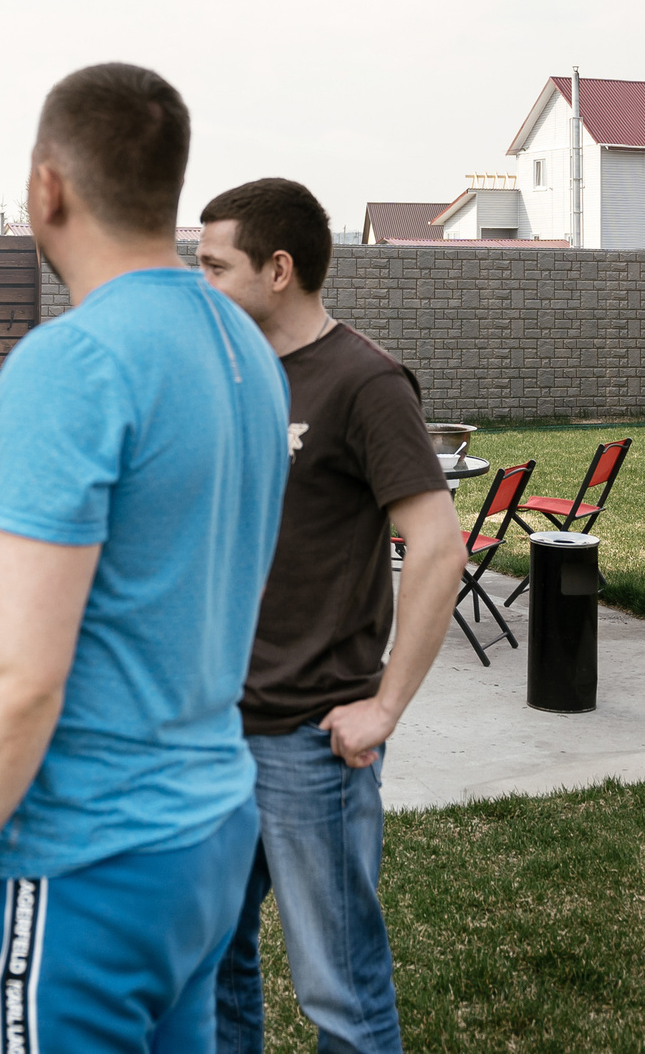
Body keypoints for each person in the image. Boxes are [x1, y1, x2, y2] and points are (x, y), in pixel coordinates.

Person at [0, 64, 291, 1052]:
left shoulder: (74, 362)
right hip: (206, 840)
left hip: (81, 861)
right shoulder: (244, 351)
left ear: (46, 186)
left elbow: (16, 679)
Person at [195, 177, 467, 1054]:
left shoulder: (366, 381)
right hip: (211, 735)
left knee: (339, 991)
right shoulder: (224, 373)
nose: (199, 285)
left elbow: (437, 543)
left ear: (278, 269)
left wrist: (384, 706)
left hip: (311, 742)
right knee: (210, 967)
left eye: (213, 266)